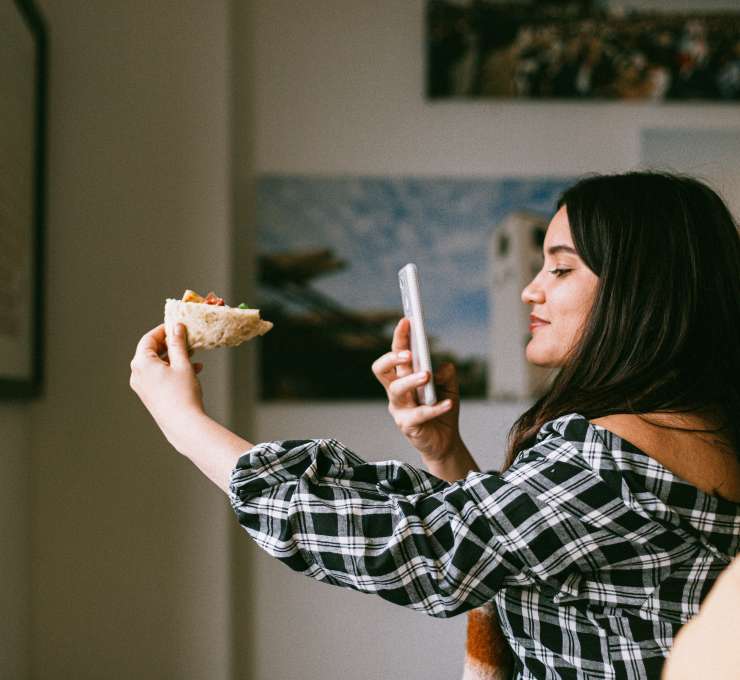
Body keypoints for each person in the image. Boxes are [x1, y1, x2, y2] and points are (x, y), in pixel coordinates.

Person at [130, 171, 740, 679]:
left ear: (641, 288)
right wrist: (444, 449)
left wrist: (182, 421)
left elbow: (417, 548)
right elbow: (511, 546)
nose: (531, 290)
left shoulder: (612, 459)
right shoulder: (683, 433)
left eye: (560, 269)